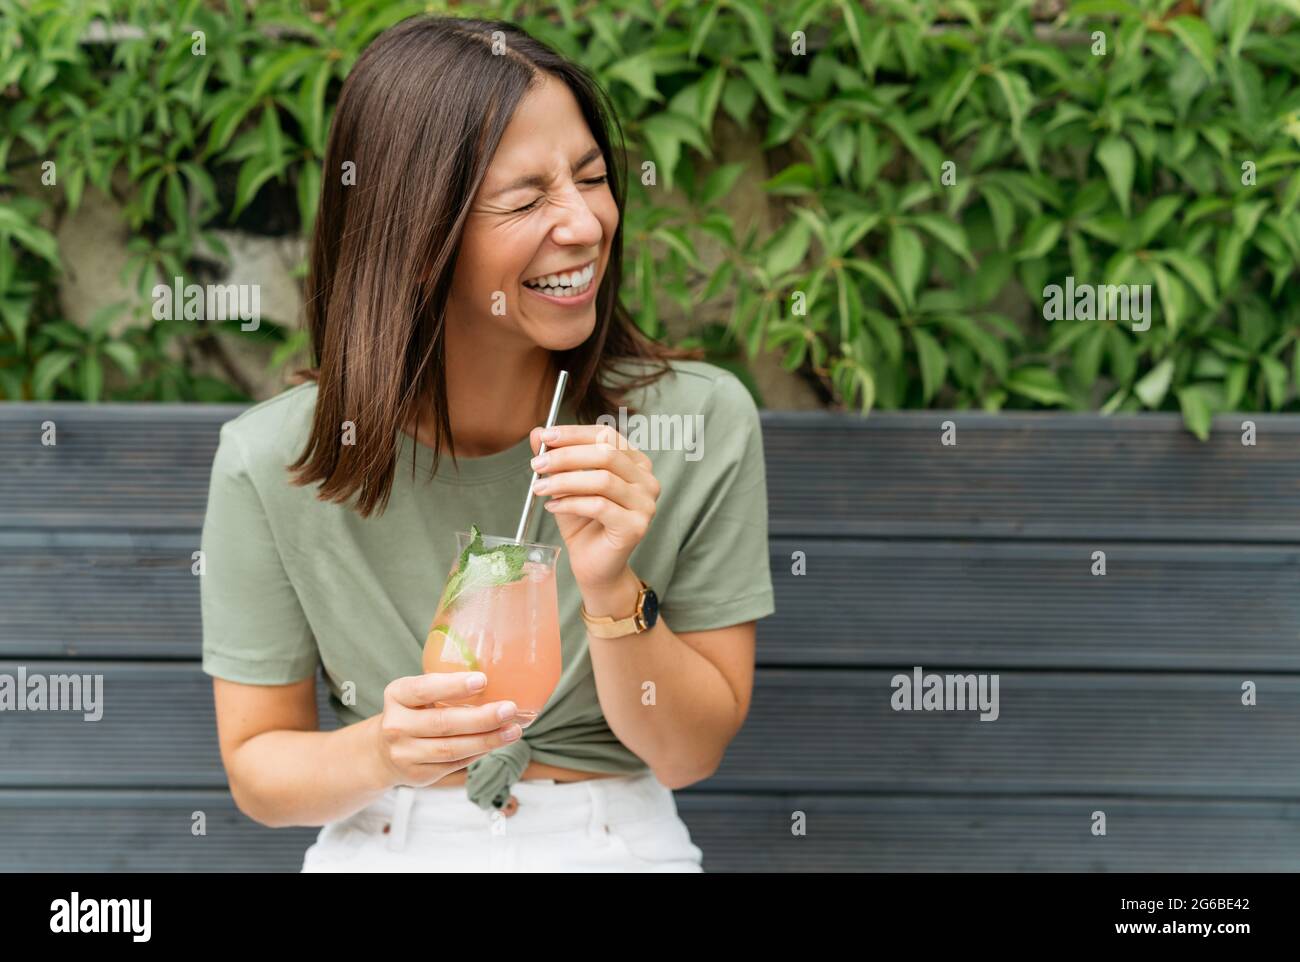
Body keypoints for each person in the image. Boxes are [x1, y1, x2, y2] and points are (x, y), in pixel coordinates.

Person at [200, 14, 774, 872]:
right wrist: (387, 750)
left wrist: (612, 586)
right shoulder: (273, 460)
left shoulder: (697, 424)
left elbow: (687, 756)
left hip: (612, 841)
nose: (584, 224)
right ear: (418, 234)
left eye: (591, 178)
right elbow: (258, 768)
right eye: (527, 197)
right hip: (389, 837)